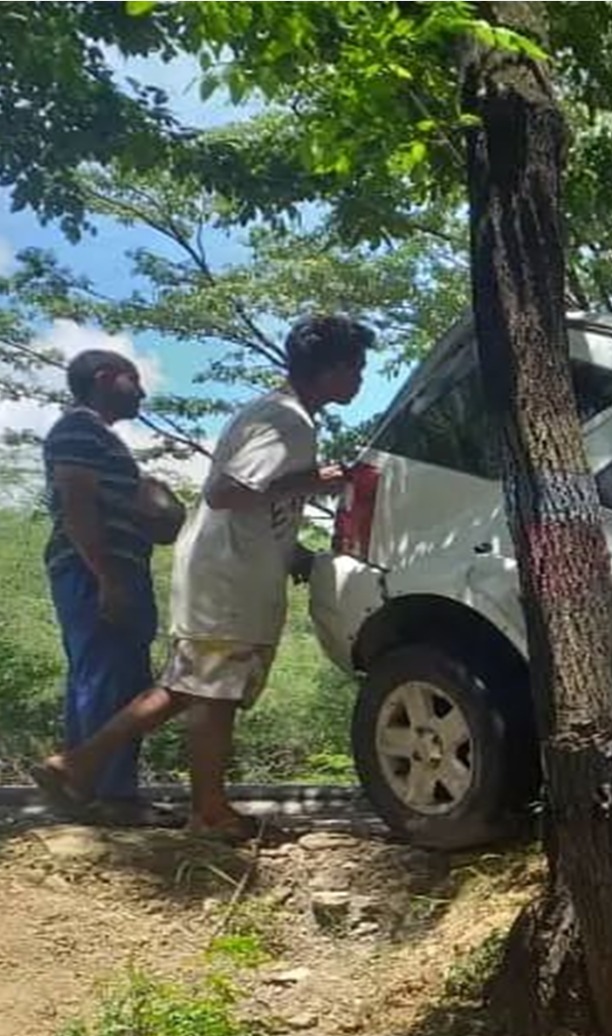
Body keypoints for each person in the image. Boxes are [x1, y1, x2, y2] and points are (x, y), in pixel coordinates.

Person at [35, 315, 374, 835]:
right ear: (331, 369)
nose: (361, 379)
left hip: (230, 569)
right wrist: (318, 479)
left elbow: (255, 505)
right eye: (356, 367)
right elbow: (228, 492)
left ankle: (104, 772)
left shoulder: (283, 414)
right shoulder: (285, 418)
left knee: (197, 686)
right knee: (206, 689)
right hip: (228, 578)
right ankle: (193, 805)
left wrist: (295, 555)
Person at [42, 350, 182, 807]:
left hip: (116, 567)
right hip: (96, 569)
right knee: (108, 675)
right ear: (104, 379)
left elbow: (152, 518)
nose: (141, 391)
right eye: (132, 379)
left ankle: (84, 785)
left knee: (113, 674)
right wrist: (107, 576)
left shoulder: (101, 439)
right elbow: (77, 503)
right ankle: (110, 794)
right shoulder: (79, 429)